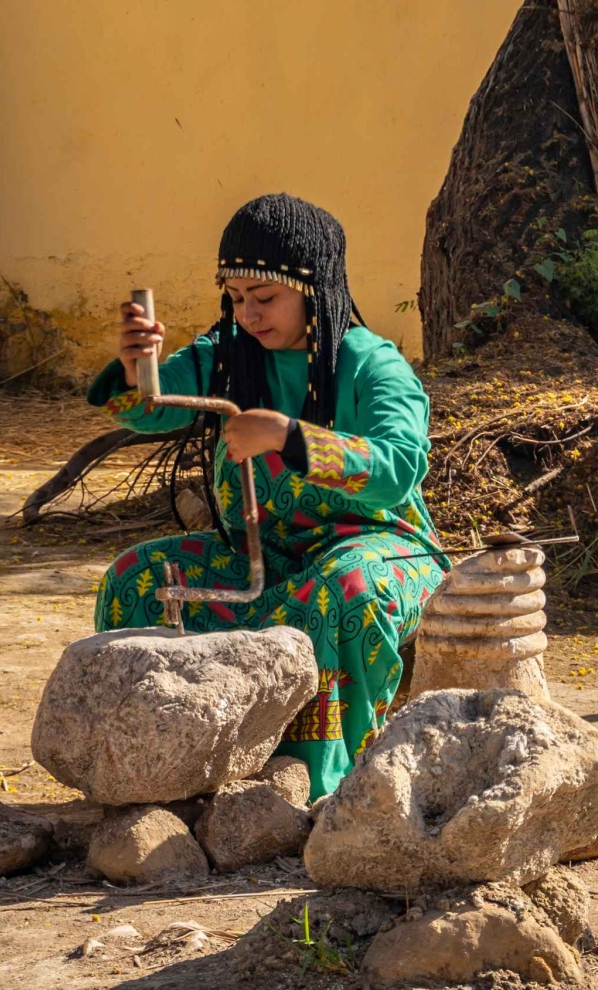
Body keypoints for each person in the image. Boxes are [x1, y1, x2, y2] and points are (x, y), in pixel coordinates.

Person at [88, 193, 449, 800]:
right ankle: (151, 764)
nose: (249, 315)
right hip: (264, 554)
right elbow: (147, 412)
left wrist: (288, 436)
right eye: (235, 298)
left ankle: (323, 786)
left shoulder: (371, 364)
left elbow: (400, 467)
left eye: (265, 298)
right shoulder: (229, 355)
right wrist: (135, 367)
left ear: (315, 290)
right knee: (138, 576)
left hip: (381, 551)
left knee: (340, 593)